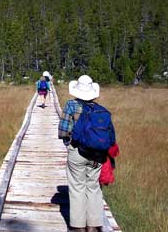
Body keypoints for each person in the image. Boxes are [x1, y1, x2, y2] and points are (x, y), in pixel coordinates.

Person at [58, 75, 116, 232]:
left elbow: (63, 131)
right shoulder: (99, 109)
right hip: (97, 155)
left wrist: (69, 144)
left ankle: (78, 226)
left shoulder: (71, 105)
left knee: (77, 187)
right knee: (93, 187)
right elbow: (110, 137)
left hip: (77, 151)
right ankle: (93, 225)